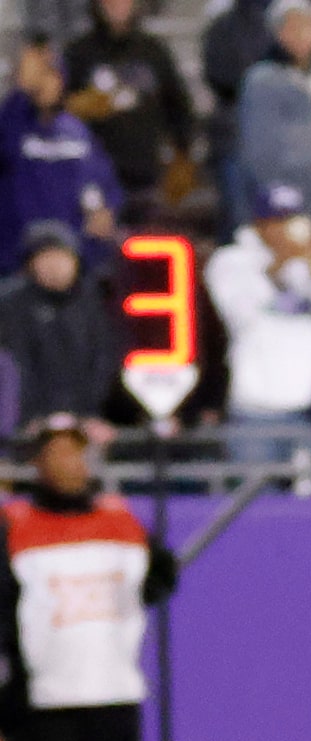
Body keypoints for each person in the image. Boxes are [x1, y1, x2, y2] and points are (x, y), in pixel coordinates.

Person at [0, 413, 184, 741]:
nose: (68, 464)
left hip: (113, 686)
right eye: (55, 453)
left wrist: (161, 567)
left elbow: (156, 580)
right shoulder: (15, 525)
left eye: (75, 452)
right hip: (46, 694)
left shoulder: (120, 519)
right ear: (37, 462)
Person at [205, 182, 311, 461]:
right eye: (275, 221)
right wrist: (279, 265)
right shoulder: (231, 261)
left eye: (290, 220)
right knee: (253, 500)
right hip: (254, 408)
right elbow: (239, 315)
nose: (283, 229)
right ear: (258, 225)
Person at [60, 0, 194, 222]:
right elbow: (53, 109)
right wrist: (76, 106)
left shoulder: (153, 51)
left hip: (145, 175)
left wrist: (182, 155)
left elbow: (179, 108)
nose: (117, 4)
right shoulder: (78, 54)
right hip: (92, 177)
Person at [0, 41, 120, 274]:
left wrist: (107, 209)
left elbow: (104, 185)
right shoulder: (12, 126)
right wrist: (21, 94)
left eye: (52, 76)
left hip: (74, 258)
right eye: (40, 77)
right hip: (18, 258)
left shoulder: (77, 132)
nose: (45, 84)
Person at [233, 0, 311, 230]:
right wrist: (277, 198)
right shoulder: (262, 79)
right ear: (276, 32)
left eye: (308, 26)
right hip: (284, 203)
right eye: (291, 27)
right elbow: (259, 147)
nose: (301, 34)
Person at [0, 223, 113, 428]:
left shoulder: (92, 304)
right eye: (45, 257)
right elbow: (17, 367)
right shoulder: (12, 306)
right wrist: (33, 418)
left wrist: (87, 415)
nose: (54, 265)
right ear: (30, 265)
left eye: (61, 256)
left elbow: (102, 363)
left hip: (87, 418)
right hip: (28, 422)